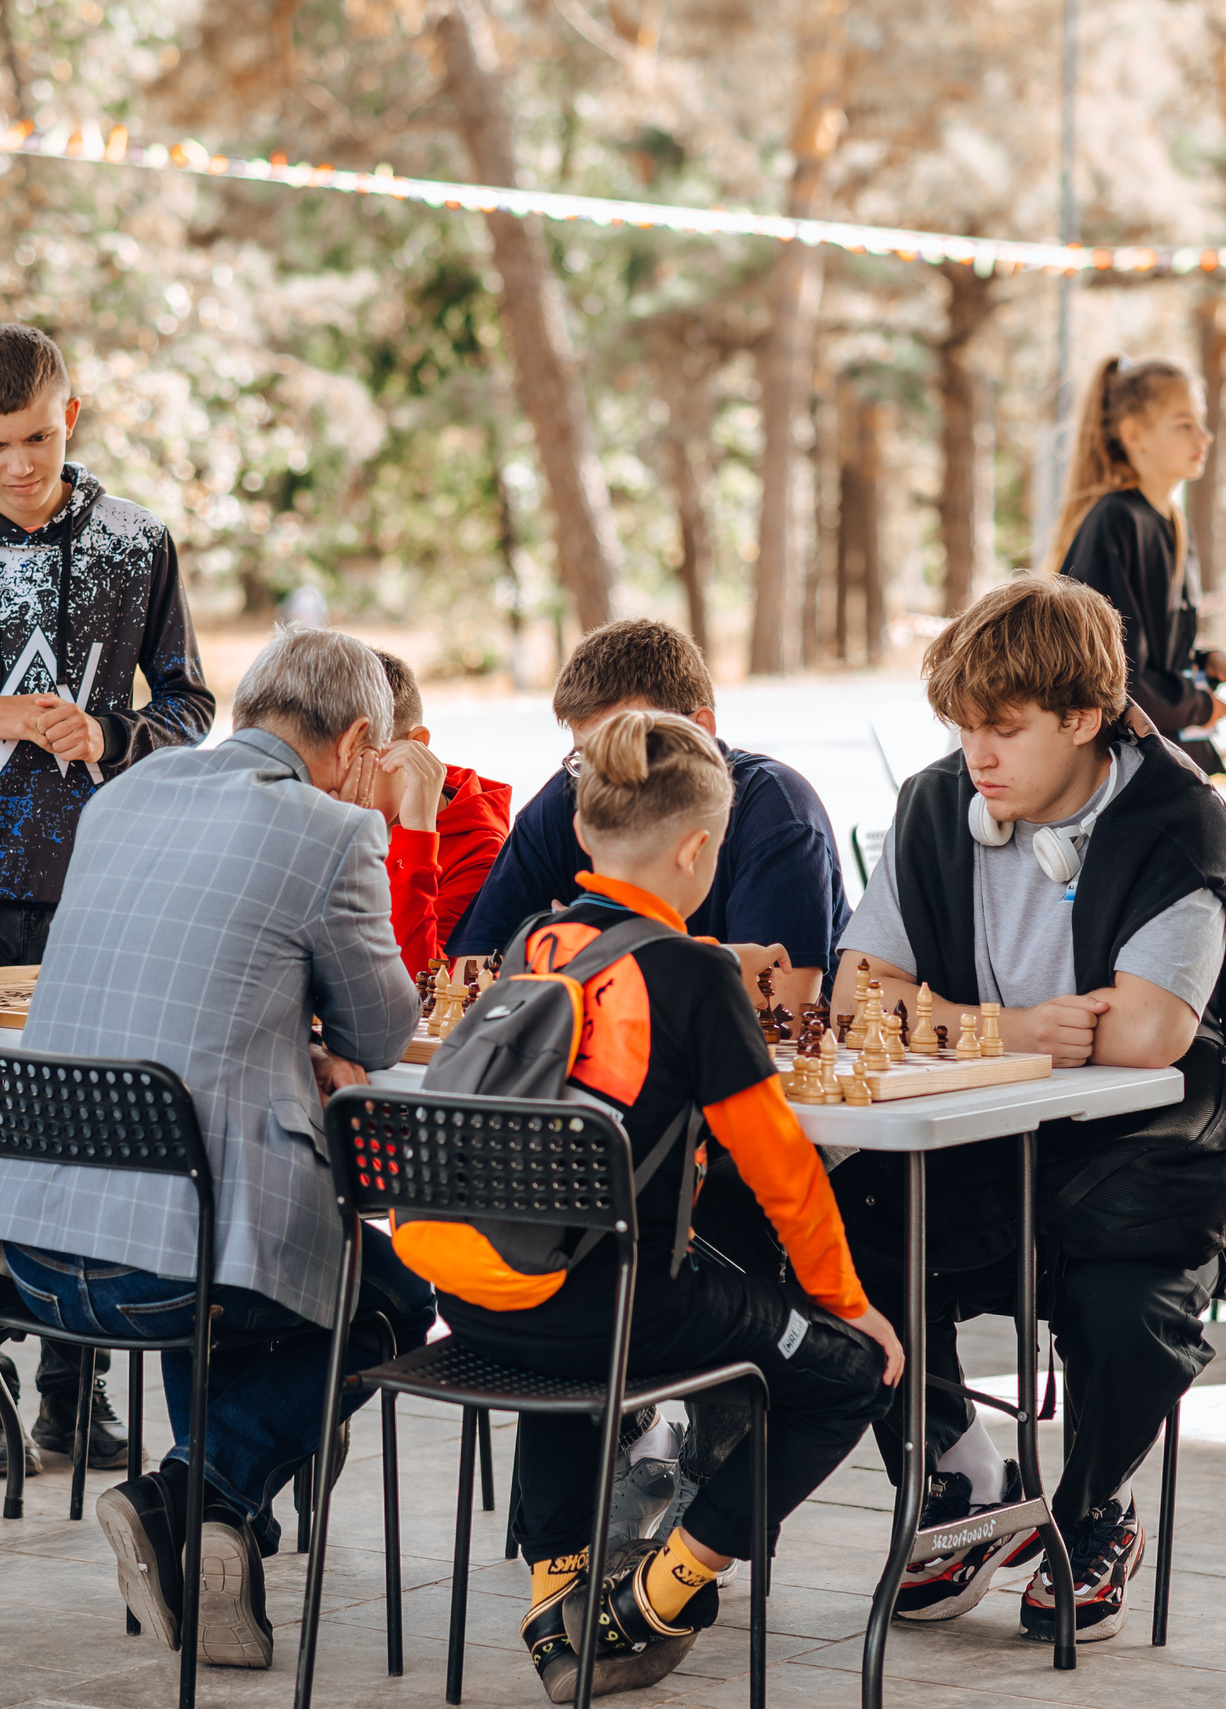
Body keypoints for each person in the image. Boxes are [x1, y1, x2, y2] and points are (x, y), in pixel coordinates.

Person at [0, 625, 432, 1670]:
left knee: (235, 1239)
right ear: (360, 739)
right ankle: (190, 1495)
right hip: (169, 1269)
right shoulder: (332, 831)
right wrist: (398, 830)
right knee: (390, 1299)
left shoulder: (124, 793)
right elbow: (384, 1031)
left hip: (30, 1257)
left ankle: (224, 1541)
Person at [407, 707, 899, 1701]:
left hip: (475, 1294)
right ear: (699, 847)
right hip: (608, 1311)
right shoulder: (692, 972)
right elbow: (783, 1173)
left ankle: (558, 1605)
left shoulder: (535, 947)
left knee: (579, 1315)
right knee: (854, 1375)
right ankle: (655, 1595)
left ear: (583, 834)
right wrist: (846, 1306)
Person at [833, 576, 1226, 1642]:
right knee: (848, 1242)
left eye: (1003, 728)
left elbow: (1150, 1031)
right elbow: (853, 999)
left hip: (1157, 1167)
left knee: (1125, 1309)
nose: (977, 753)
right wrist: (1012, 1028)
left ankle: (1091, 1506)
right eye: (965, 726)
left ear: (1081, 717)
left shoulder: (1172, 814)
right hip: (985, 1151)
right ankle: (962, 1482)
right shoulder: (939, 803)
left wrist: (933, 1011)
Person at [0, 321, 215, 1474]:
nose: (17, 462)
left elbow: (193, 706)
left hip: (101, 888)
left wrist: (114, 731)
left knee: (95, 1142)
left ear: (74, 415)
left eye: (37, 435)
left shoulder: (135, 541)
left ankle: (79, 1385)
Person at [448, 618, 848, 988]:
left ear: (701, 730)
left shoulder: (779, 813)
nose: (604, 775)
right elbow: (472, 974)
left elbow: (781, 1007)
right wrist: (713, 965)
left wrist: (576, 955)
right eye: (588, 756)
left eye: (633, 744)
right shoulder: (570, 793)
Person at [1048, 354, 1226, 775]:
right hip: (1118, 771)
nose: (1205, 436)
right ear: (1133, 434)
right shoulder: (1115, 521)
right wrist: (1197, 704)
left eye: (1200, 421)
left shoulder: (1173, 524)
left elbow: (1152, 649)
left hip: (1166, 753)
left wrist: (1204, 661)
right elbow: (1110, 670)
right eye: (1184, 425)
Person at [358, 649, 511, 977]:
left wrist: (416, 838)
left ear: (416, 746)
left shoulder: (480, 851)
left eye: (361, 760)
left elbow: (415, 983)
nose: (337, 784)